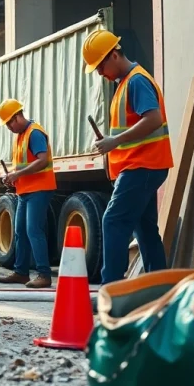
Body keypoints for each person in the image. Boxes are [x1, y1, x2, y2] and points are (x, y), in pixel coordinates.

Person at [82, 30, 173, 284]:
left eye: (100, 66)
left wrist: (115, 141)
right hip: (143, 165)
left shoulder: (136, 81)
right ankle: (158, 288)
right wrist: (111, 143)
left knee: (113, 222)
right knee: (145, 230)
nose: (100, 73)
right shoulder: (126, 83)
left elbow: (154, 119)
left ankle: (110, 291)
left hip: (142, 166)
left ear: (114, 55)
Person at [0, 99, 56, 288]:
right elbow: (23, 164)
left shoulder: (35, 133)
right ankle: (21, 272)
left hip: (39, 189)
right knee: (20, 230)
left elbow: (42, 161)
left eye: (8, 123)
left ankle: (44, 274)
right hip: (25, 190)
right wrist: (12, 176)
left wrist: (18, 174)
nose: (8, 127)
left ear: (16, 117)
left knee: (33, 230)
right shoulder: (21, 136)